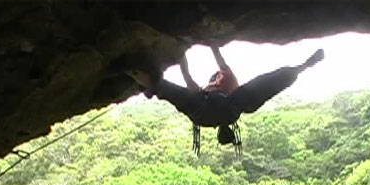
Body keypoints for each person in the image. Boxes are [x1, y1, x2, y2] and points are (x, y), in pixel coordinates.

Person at [126, 45, 325, 137]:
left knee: (165, 88)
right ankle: (303, 67)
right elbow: (188, 82)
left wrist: (184, 54)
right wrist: (183, 55)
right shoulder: (224, 89)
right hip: (215, 113)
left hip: (207, 112)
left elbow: (188, 81)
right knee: (263, 88)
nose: (215, 80)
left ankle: (142, 79)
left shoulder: (223, 84)